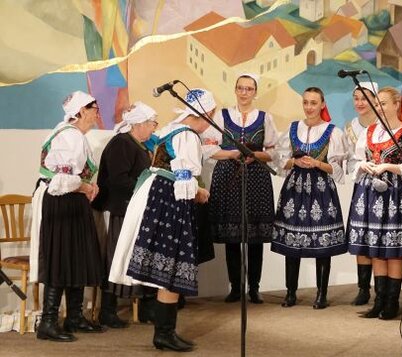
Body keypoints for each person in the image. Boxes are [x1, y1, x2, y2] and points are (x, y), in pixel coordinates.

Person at [109, 88, 215, 352]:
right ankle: (164, 333)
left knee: (167, 267)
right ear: (206, 114)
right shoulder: (188, 136)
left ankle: (164, 331)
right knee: (173, 265)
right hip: (171, 202)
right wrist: (199, 192)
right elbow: (183, 180)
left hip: (156, 197)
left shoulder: (170, 129)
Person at [347, 87, 402, 320]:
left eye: (383, 103)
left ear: (396, 104)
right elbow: (358, 157)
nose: (380, 108)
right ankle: (379, 300)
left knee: (393, 250)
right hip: (372, 194)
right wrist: (364, 165)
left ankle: (392, 302)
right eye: (378, 103)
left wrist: (390, 167)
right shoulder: (371, 131)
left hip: (394, 194)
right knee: (376, 250)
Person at [30, 91, 104, 342]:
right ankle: (48, 322)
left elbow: (73, 178)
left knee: (76, 257)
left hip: (72, 202)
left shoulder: (74, 136)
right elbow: (61, 181)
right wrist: (86, 187)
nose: (97, 112)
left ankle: (74, 316)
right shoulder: (69, 136)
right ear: (81, 111)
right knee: (60, 259)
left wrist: (87, 187)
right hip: (62, 204)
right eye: (94, 107)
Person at [271, 87, 347, 309]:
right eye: (305, 102)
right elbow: (279, 160)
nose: (309, 107)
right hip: (294, 189)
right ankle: (291, 292)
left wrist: (316, 163)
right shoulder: (293, 128)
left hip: (321, 190)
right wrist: (293, 162)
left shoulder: (333, 131)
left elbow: (337, 168)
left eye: (313, 103)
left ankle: (321, 294)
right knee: (291, 242)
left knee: (322, 244)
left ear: (322, 104)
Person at [207, 73, 278, 304]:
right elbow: (209, 150)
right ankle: (235, 287)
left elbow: (274, 152)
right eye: (241, 88)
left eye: (249, 88)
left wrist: (255, 155)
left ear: (255, 92)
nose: (244, 92)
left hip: (256, 176)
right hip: (228, 175)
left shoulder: (265, 117)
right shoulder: (222, 115)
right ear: (235, 90)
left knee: (255, 236)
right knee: (232, 236)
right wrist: (232, 153)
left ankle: (254, 287)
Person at [92, 102, 157, 328]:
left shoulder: (137, 145)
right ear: (139, 124)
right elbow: (118, 180)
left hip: (133, 209)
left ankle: (147, 307)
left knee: (137, 257)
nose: (153, 128)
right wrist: (146, 189)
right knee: (115, 257)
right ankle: (107, 311)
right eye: (152, 123)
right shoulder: (122, 144)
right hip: (119, 209)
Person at [344, 81, 379, 306]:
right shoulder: (351, 128)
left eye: (364, 98)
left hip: (384, 185)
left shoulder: (384, 125)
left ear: (375, 100)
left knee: (379, 235)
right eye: (356, 98)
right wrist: (359, 166)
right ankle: (363, 288)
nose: (360, 103)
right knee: (361, 234)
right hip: (362, 185)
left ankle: (382, 287)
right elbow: (349, 159)